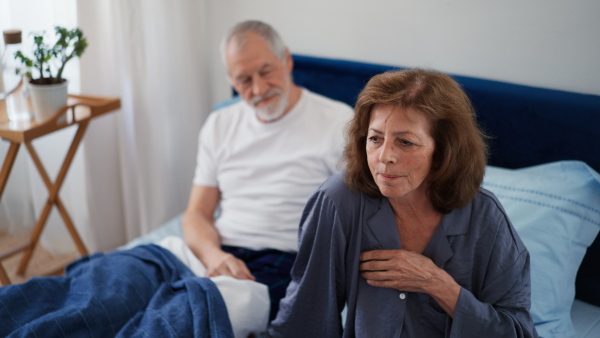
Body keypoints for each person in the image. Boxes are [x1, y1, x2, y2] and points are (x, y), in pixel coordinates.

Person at [268, 69, 539, 337]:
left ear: (444, 150)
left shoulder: (485, 218)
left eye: (406, 142)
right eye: (375, 138)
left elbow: (517, 332)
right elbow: (306, 317)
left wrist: (438, 285)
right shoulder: (338, 200)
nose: (384, 156)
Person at [182, 20, 353, 321]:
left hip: (281, 261)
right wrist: (214, 256)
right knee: (115, 277)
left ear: (286, 60)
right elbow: (196, 214)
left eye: (266, 72)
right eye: (244, 80)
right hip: (213, 254)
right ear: (232, 82)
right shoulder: (219, 124)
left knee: (187, 314)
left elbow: (360, 215)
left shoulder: (337, 121)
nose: (258, 89)